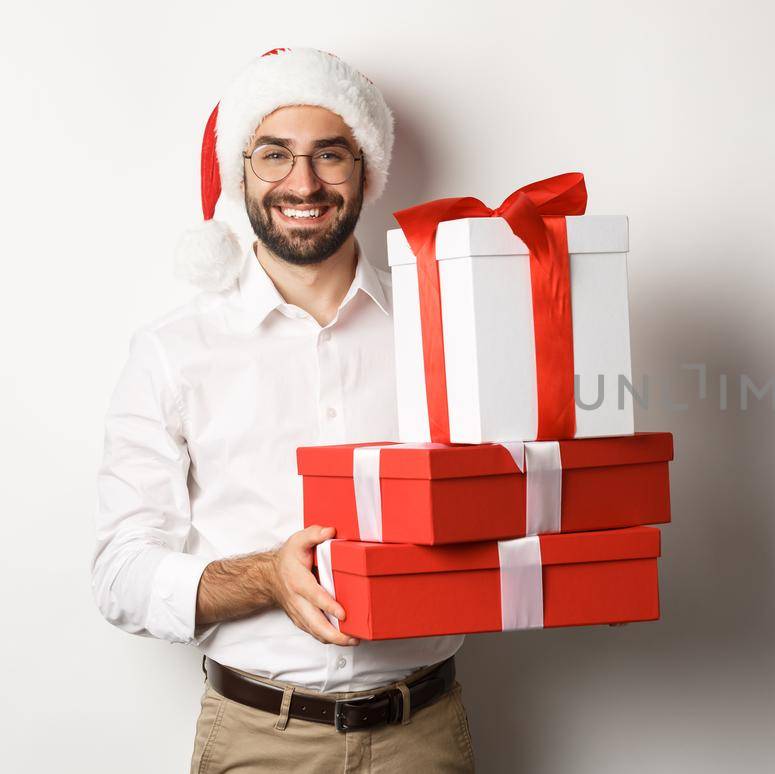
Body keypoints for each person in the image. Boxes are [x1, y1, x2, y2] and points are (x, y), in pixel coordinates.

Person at [91, 48, 475, 772]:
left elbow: (506, 500)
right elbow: (120, 574)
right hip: (257, 740)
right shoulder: (172, 352)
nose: (303, 183)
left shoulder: (448, 333)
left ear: (368, 171)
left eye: (330, 155)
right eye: (275, 155)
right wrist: (265, 576)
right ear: (243, 173)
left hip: (423, 736)